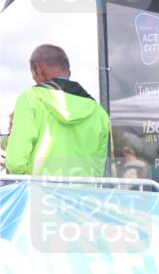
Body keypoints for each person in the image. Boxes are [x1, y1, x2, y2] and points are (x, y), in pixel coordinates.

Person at [5, 44, 110, 177]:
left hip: (40, 194)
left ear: (39, 70)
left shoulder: (30, 99)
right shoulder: (99, 113)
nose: (34, 80)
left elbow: (15, 162)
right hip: (83, 195)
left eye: (33, 75)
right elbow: (98, 169)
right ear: (69, 72)